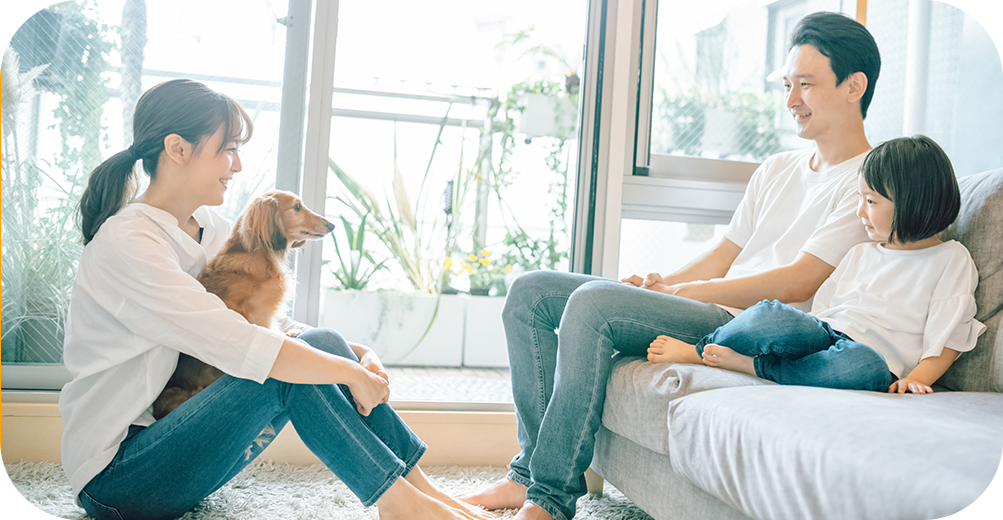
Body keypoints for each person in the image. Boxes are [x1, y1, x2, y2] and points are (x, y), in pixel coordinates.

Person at [460, 12, 882, 520]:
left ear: (854, 86)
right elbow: (725, 253)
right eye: (788, 84)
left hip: (751, 327)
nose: (792, 99)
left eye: (806, 85)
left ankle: (548, 499)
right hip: (710, 306)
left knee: (592, 305)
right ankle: (527, 473)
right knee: (530, 293)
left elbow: (801, 281)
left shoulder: (871, 182)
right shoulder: (777, 168)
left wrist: (696, 292)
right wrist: (667, 282)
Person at [59, 79, 491, 520]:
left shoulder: (211, 227)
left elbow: (267, 326)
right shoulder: (129, 242)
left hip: (181, 443)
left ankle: (422, 491)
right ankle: (402, 507)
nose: (238, 164)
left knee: (319, 342)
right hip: (119, 476)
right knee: (278, 369)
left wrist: (359, 355)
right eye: (227, 148)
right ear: (178, 148)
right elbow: (241, 343)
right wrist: (346, 372)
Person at [648, 135, 985, 393]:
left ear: (914, 203)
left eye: (871, 201)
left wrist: (915, 380)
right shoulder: (860, 252)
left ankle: (756, 367)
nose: (860, 211)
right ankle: (701, 349)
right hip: (826, 333)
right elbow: (823, 312)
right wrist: (796, 330)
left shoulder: (950, 259)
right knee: (770, 314)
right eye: (860, 199)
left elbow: (949, 337)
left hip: (875, 358)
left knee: (861, 364)